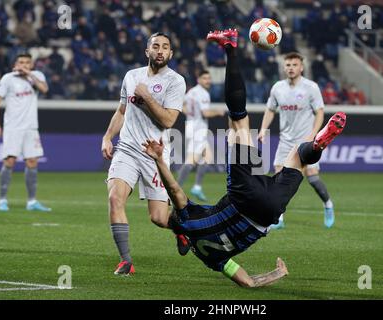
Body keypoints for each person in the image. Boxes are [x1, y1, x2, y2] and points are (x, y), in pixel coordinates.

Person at [142, 29, 347, 287]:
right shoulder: (186, 219)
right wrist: (159, 159)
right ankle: (230, 47)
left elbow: (248, 282)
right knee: (238, 121)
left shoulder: (210, 259)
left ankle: (317, 144)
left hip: (269, 213)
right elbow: (174, 190)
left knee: (297, 157)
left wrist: (277, 274)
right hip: (243, 197)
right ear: (178, 227)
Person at [101, 32, 188, 276]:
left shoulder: (175, 81)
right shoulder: (131, 76)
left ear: (170, 54)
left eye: (165, 47)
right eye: (155, 46)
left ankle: (181, 229)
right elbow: (121, 110)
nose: (160, 50)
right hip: (127, 148)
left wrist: (147, 97)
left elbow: (169, 120)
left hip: (155, 154)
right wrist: (108, 136)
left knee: (159, 218)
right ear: (147, 51)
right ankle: (126, 261)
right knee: (115, 199)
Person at [258, 52, 336, 229]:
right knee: (279, 177)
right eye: (288, 65)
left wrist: (313, 135)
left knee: (312, 177)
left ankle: (328, 205)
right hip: (285, 141)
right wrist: (263, 129)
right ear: (284, 67)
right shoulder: (277, 87)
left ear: (301, 67)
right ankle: (279, 219)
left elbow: (320, 112)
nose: (291, 68)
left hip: (305, 141)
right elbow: (270, 109)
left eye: (294, 65)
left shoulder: (311, 87)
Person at [0, 53, 51, 212]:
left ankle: (32, 202)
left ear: (31, 65)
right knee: (9, 161)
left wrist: (29, 74)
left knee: (32, 162)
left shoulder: (36, 76)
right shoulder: (8, 78)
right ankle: (2, 200)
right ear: (15, 64)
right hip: (13, 127)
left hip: (31, 127)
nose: (24, 65)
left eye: (27, 62)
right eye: (21, 62)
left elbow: (44, 89)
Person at [176, 70, 225, 201]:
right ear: (199, 80)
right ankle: (175, 189)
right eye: (205, 78)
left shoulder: (191, 92)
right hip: (198, 130)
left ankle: (196, 187)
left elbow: (181, 104)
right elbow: (205, 113)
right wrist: (218, 112)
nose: (208, 81)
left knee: (207, 157)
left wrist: (190, 114)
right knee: (190, 161)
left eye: (209, 78)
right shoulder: (203, 94)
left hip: (191, 127)